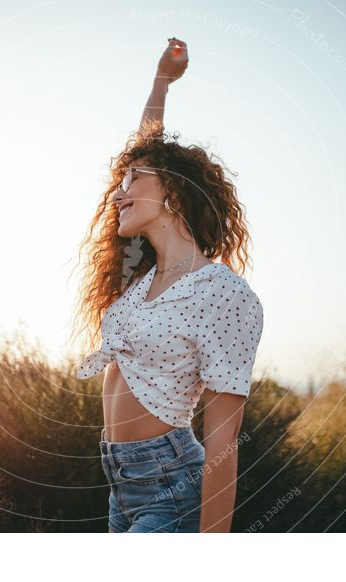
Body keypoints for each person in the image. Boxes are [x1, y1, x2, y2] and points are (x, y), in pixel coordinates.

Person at [72, 38, 264, 533]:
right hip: (122, 489)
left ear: (174, 191)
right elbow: (144, 151)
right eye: (121, 183)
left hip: (172, 491)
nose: (118, 194)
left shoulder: (223, 294)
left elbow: (224, 434)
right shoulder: (138, 276)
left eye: (133, 180)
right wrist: (161, 83)